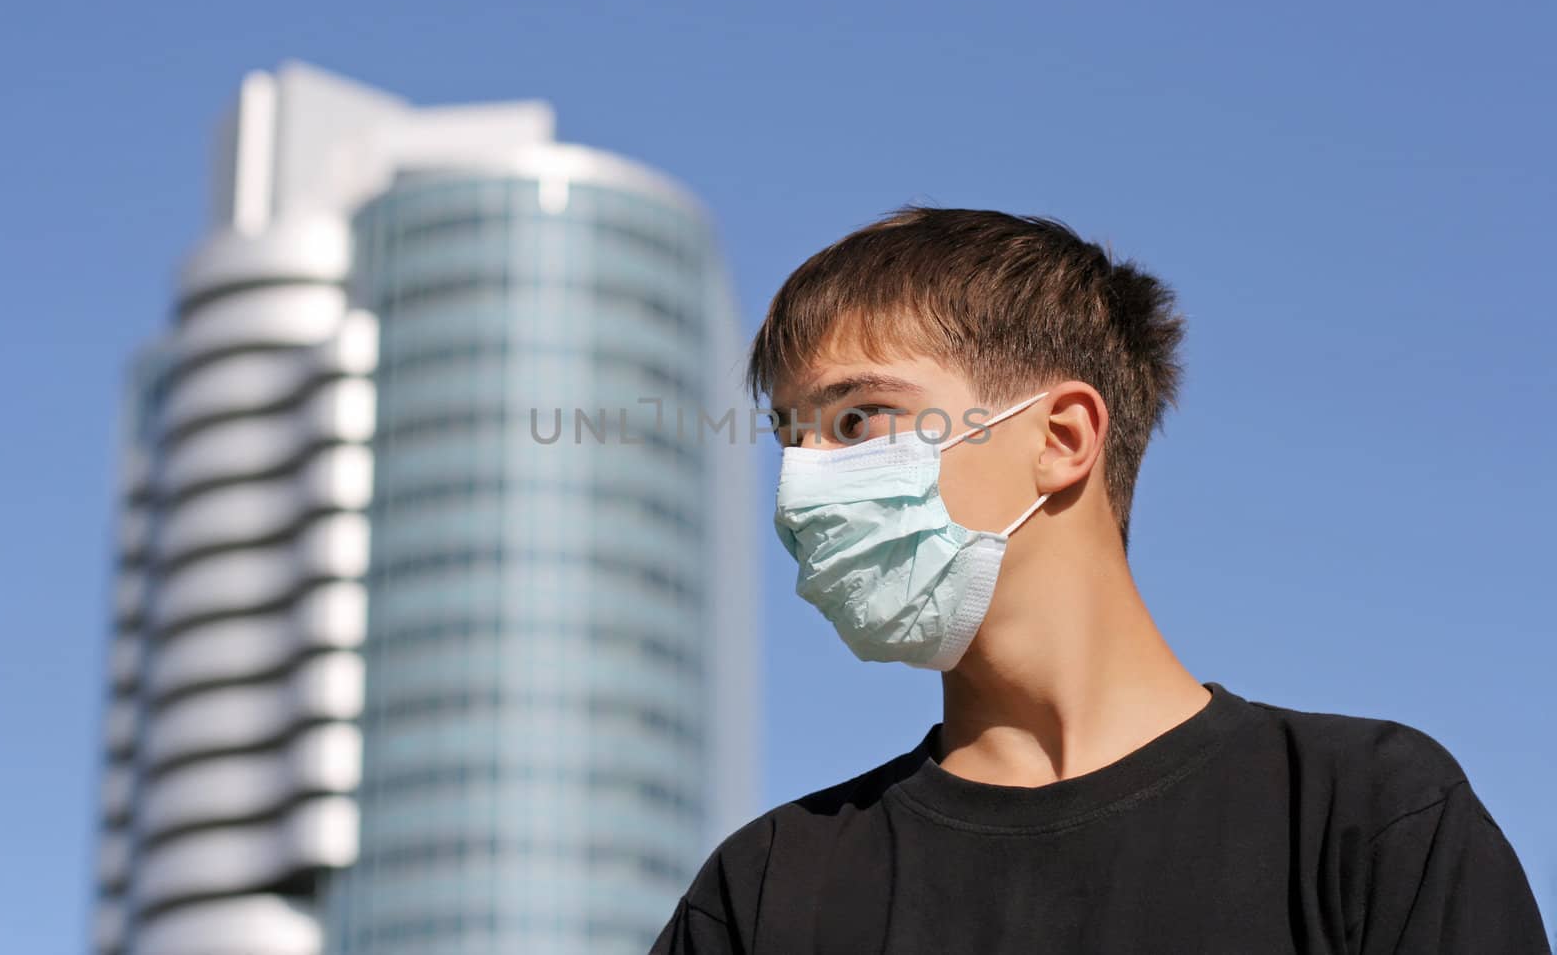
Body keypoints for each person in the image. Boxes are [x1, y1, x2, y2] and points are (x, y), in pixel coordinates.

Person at [650, 207, 1550, 954]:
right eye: (789, 437)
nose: (801, 487)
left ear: (1063, 438)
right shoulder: (767, 890)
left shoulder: (1365, 819)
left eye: (856, 420)